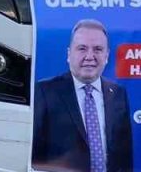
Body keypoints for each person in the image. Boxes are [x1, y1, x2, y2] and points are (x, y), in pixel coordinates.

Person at [32, 19, 134, 172]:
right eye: (82, 48)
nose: (90, 56)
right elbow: (34, 155)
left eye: (98, 49)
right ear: (69, 54)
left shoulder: (118, 93)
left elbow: (125, 157)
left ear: (106, 56)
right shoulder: (44, 92)